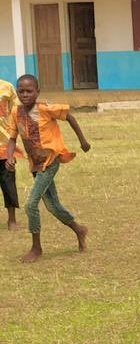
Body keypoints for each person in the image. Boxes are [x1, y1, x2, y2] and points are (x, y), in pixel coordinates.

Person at [5, 74, 90, 263]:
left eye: (29, 91)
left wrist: (83, 141)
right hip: (35, 165)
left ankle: (36, 248)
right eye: (21, 91)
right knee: (53, 206)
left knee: (31, 205)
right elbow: (12, 138)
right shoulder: (16, 112)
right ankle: (79, 230)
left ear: (37, 92)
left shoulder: (45, 108)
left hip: (50, 162)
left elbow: (70, 117)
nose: (25, 94)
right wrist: (10, 156)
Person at [0, 78, 23, 231]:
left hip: (4, 144)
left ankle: (12, 219)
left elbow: (17, 113)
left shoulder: (6, 87)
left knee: (8, 181)